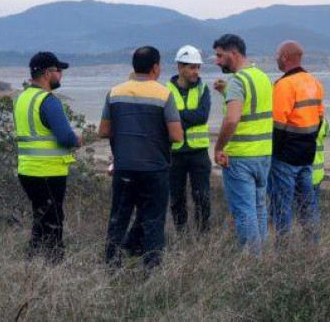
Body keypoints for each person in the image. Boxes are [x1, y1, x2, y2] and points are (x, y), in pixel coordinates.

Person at [100, 46, 183, 271]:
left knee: (118, 219)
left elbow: (104, 131)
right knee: (154, 222)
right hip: (154, 169)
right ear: (155, 67)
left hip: (124, 167)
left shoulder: (114, 93)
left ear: (134, 66)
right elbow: (176, 135)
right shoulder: (164, 94)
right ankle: (151, 272)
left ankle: (111, 270)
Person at [14, 51, 82, 263]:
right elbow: (65, 137)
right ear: (46, 73)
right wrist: (77, 139)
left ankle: (31, 263)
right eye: (58, 70)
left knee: (41, 219)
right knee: (53, 222)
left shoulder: (22, 98)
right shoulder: (49, 101)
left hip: (27, 170)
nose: (61, 75)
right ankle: (54, 266)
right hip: (48, 171)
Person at [212, 34, 273, 255]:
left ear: (233, 53)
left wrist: (219, 148)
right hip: (263, 155)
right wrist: (225, 93)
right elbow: (251, 108)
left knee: (244, 212)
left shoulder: (238, 81)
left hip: (240, 157)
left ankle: (253, 262)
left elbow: (232, 119)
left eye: (220, 56)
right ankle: (263, 259)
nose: (217, 61)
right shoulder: (262, 77)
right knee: (259, 209)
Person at [268, 40, 325, 244]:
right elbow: (319, 120)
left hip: (285, 158)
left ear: (284, 57)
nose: (276, 58)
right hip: (307, 156)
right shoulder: (314, 83)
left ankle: (284, 251)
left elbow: (277, 126)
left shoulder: (284, 85)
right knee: (308, 206)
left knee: (282, 207)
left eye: (277, 55)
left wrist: (272, 155)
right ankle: (313, 246)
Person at [167, 45, 212, 234]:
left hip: (198, 153)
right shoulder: (167, 90)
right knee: (176, 198)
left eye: (198, 67)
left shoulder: (203, 89)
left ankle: (204, 235)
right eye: (192, 67)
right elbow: (165, 119)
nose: (196, 71)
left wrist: (177, 117)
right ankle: (181, 234)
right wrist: (185, 117)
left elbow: (202, 116)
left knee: (202, 196)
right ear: (180, 67)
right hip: (174, 153)